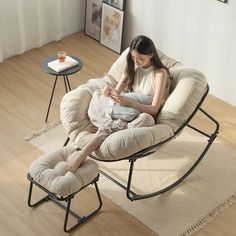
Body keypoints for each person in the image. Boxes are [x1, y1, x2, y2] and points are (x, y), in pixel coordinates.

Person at [66, 35, 171, 172]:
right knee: (97, 94)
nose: (137, 62)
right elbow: (117, 91)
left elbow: (154, 109)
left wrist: (129, 102)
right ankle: (106, 125)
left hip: (140, 110)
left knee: (147, 119)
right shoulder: (131, 66)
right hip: (123, 108)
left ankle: (83, 152)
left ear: (151, 55)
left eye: (141, 58)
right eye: (134, 58)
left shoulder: (160, 73)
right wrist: (110, 93)